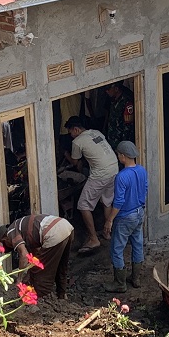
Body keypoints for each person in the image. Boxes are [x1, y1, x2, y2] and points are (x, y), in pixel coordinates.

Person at [64, 116, 119, 255]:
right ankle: (108, 233)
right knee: (106, 202)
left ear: (76, 129)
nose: (70, 135)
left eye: (70, 132)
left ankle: (93, 239)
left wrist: (66, 154)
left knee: (83, 205)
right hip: (114, 168)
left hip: (100, 174)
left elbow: (75, 162)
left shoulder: (77, 141)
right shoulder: (96, 132)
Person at [0, 214, 75, 299]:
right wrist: (30, 270)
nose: (11, 246)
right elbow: (36, 254)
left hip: (53, 233)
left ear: (5, 239)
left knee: (40, 274)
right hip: (66, 226)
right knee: (61, 266)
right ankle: (62, 295)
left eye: (7, 245)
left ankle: (44, 299)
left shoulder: (11, 232)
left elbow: (24, 255)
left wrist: (19, 279)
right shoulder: (22, 228)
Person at [109, 140, 148, 293]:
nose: (118, 157)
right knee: (137, 244)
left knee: (117, 248)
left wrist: (109, 219)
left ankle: (119, 283)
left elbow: (118, 201)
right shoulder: (142, 170)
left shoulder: (121, 176)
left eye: (119, 154)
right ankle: (136, 278)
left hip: (125, 216)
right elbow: (145, 189)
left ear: (123, 156)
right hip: (139, 212)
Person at [104, 82, 136, 148]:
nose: (107, 91)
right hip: (113, 140)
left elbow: (128, 127)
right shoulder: (113, 99)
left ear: (116, 89)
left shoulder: (126, 102)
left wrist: (124, 145)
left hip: (121, 141)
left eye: (109, 88)